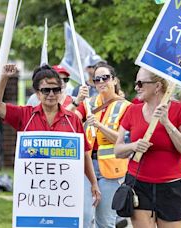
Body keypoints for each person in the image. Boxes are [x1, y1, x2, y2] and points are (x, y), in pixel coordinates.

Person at [0, 64, 102, 220]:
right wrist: (3, 78)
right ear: (37, 93)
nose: (51, 94)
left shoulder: (73, 120)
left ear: (61, 91)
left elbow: (84, 154)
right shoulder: (25, 115)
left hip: (65, 197)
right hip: (34, 198)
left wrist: (93, 183)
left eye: (56, 89)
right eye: (45, 90)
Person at [114, 67, 181, 228]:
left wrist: (167, 123)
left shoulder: (180, 110)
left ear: (157, 86)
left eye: (140, 83)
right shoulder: (132, 110)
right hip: (138, 184)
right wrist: (134, 145)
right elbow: (118, 150)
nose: (136, 87)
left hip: (172, 186)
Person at [69, 63, 131, 228]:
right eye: (97, 79)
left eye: (105, 77)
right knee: (83, 217)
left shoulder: (126, 107)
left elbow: (124, 140)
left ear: (115, 80)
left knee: (104, 221)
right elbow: (67, 120)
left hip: (112, 170)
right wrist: (77, 101)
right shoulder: (88, 103)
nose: (101, 81)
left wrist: (99, 126)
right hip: (86, 166)